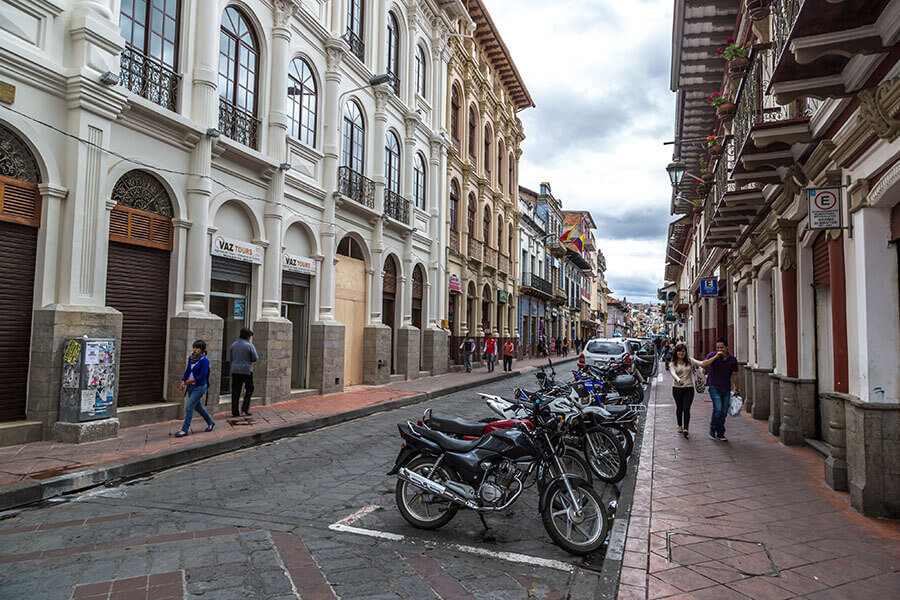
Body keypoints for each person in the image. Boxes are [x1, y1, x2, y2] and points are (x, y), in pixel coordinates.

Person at [701, 337, 740, 441]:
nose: (720, 350)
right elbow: (704, 364)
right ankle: (713, 429)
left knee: (724, 411)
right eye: (718, 348)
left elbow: (735, 374)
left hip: (726, 388)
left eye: (722, 348)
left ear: (727, 347)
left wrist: (737, 388)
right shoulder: (712, 355)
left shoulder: (732, 359)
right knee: (718, 408)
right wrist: (715, 357)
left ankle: (721, 432)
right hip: (714, 386)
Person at [177, 340, 214, 437]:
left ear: (202, 350)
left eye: (197, 348)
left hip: (200, 387)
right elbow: (188, 370)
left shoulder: (204, 361)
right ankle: (210, 422)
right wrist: (183, 381)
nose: (194, 349)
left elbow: (203, 375)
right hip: (190, 387)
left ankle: (184, 430)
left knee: (189, 407)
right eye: (194, 347)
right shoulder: (191, 358)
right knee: (198, 407)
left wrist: (191, 381)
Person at [668, 343, 702, 438]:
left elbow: (701, 363)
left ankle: (686, 428)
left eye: (683, 351)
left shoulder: (690, 361)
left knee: (686, 408)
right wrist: (679, 380)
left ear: (685, 352)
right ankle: (679, 425)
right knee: (679, 407)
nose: (681, 353)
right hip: (677, 389)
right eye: (679, 351)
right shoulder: (672, 363)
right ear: (676, 352)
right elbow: (673, 373)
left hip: (689, 388)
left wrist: (714, 357)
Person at [229, 327, 258, 417]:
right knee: (249, 389)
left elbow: (231, 358)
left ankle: (235, 411)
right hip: (246, 371)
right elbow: (255, 358)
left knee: (235, 391)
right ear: (248, 337)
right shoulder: (249, 346)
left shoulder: (233, 345)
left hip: (235, 370)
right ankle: (245, 409)